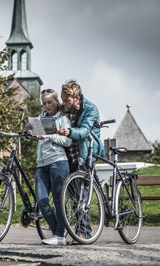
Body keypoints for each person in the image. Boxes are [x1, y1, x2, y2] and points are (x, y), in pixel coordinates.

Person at [57, 79, 104, 244]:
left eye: (67, 100)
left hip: (85, 154)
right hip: (68, 154)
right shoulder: (65, 108)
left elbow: (84, 131)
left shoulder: (91, 109)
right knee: (73, 195)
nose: (64, 104)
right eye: (63, 100)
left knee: (81, 195)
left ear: (77, 98)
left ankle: (84, 233)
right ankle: (79, 232)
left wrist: (69, 131)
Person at [25, 89, 71, 245]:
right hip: (42, 163)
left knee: (58, 200)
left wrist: (48, 135)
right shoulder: (40, 118)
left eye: (49, 102)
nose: (46, 106)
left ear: (56, 101)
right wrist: (30, 131)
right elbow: (38, 137)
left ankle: (59, 235)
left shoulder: (62, 119)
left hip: (58, 161)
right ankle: (57, 232)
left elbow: (67, 141)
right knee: (41, 200)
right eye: (44, 103)